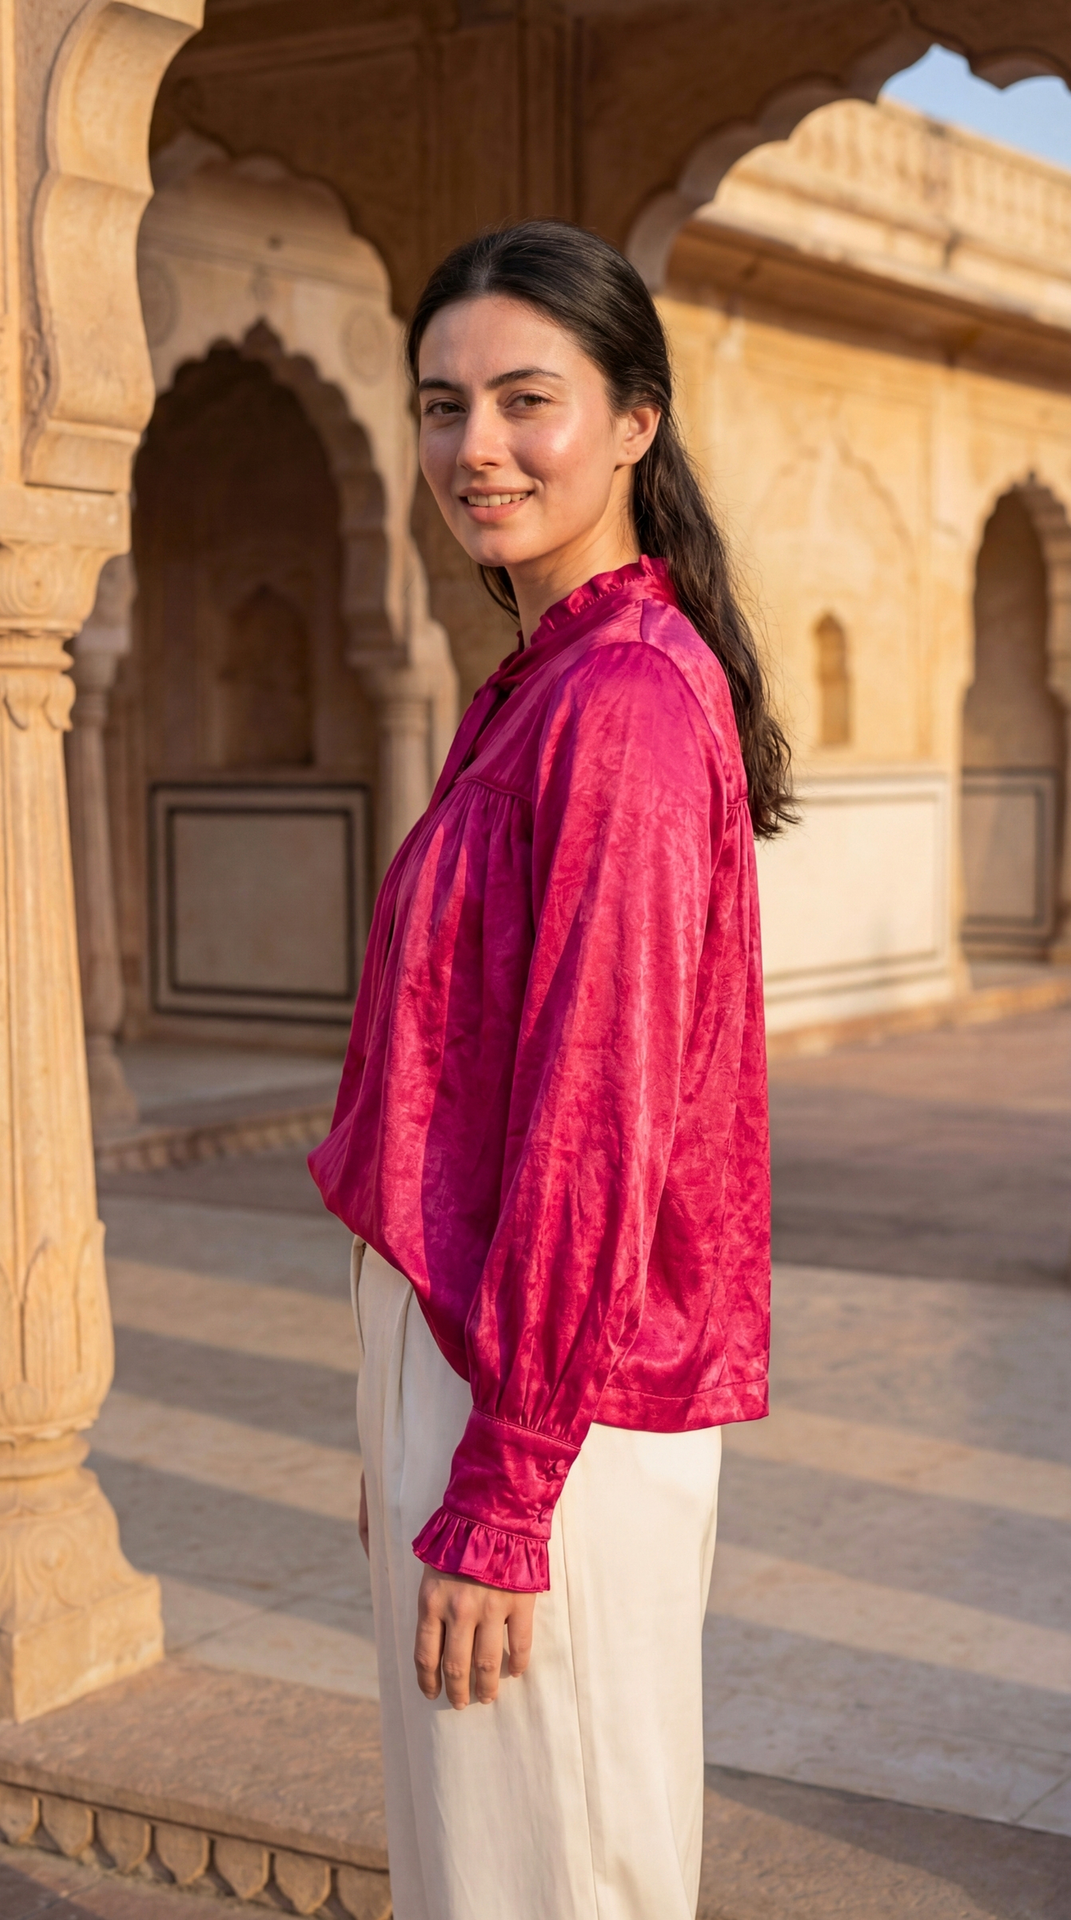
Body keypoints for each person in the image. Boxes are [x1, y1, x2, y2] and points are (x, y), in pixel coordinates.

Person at [308, 219, 792, 1920]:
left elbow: (599, 1119)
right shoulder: (546, 680)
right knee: (485, 1858)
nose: (474, 450)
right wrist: (408, 1430)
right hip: (475, 1356)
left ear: (634, 423)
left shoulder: (627, 707)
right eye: (442, 407)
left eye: (528, 400)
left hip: (547, 1398)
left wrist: (503, 1486)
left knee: (549, 1872)